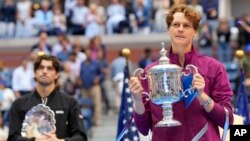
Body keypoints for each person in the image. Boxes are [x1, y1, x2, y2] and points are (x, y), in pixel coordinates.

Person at [128, 5, 234, 141]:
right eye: (176, 25)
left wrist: (202, 97)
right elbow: (143, 129)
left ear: (195, 31)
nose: (180, 29)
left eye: (187, 26)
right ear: (168, 30)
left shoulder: (213, 68)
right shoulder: (151, 73)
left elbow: (227, 120)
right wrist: (137, 101)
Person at [8, 55, 87, 141]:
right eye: (41, 68)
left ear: (56, 74)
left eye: (49, 68)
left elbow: (81, 137)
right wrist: (34, 140)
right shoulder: (19, 103)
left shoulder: (70, 103)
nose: (45, 71)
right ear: (35, 73)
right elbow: (12, 137)